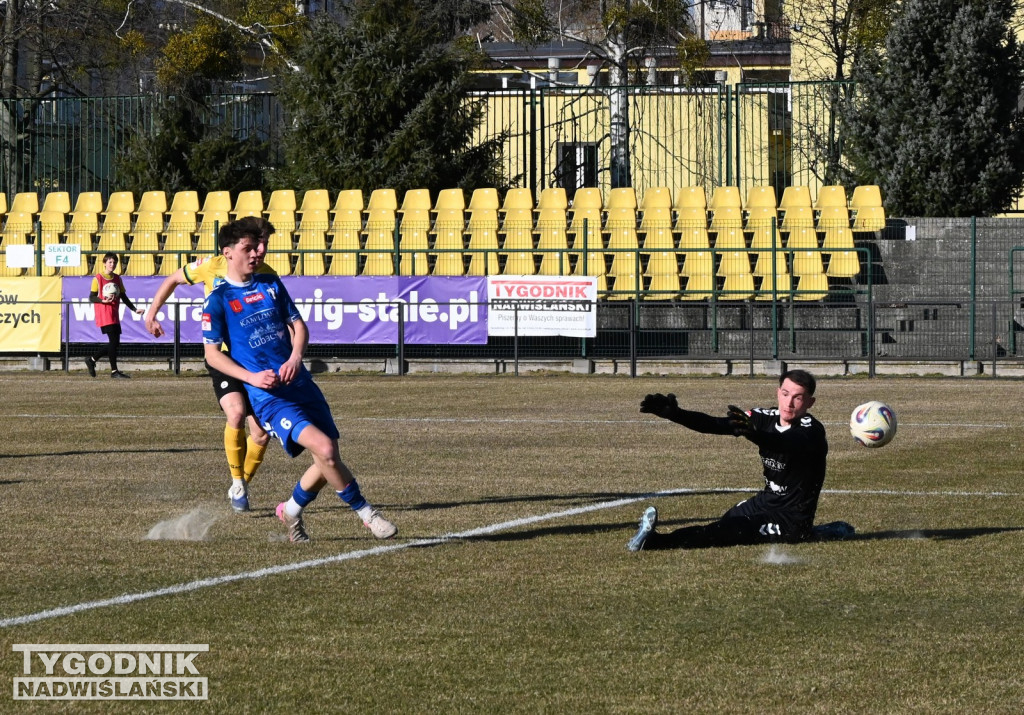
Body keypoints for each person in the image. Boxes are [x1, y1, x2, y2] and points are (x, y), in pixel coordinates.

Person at [200, 219, 397, 544]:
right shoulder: (218, 300)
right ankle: (367, 515)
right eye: (248, 248)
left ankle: (290, 510)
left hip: (302, 384)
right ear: (228, 253)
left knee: (326, 457)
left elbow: (299, 327)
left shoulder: (270, 285)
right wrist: (251, 377)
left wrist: (294, 358)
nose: (257, 253)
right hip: (269, 398)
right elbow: (212, 355)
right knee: (325, 449)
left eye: (259, 246)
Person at [143, 216, 275, 513]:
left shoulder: (266, 275)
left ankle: (241, 486)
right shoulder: (210, 265)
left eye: (265, 243)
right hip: (223, 356)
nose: (261, 249)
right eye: (257, 243)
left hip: (255, 358)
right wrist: (151, 313)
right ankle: (237, 481)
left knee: (261, 434)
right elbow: (173, 279)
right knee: (236, 412)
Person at [627, 369, 833, 551]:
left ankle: (655, 542)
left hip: (790, 519)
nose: (789, 403)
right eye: (786, 394)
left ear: (809, 402)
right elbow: (716, 424)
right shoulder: (764, 417)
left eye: (798, 398)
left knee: (729, 531)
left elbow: (782, 443)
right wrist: (676, 414)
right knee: (727, 523)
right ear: (778, 392)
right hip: (765, 502)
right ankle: (821, 532)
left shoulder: (811, 430)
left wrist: (754, 434)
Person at [86, 252, 144, 379]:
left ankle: (92, 359)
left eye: (114, 263)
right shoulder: (98, 278)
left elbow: (123, 296)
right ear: (105, 263)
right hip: (104, 313)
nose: (112, 265)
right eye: (110, 262)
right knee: (113, 342)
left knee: (115, 343)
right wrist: (102, 300)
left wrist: (134, 309)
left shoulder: (117, 278)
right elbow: (91, 297)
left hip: (114, 313)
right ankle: (114, 371)